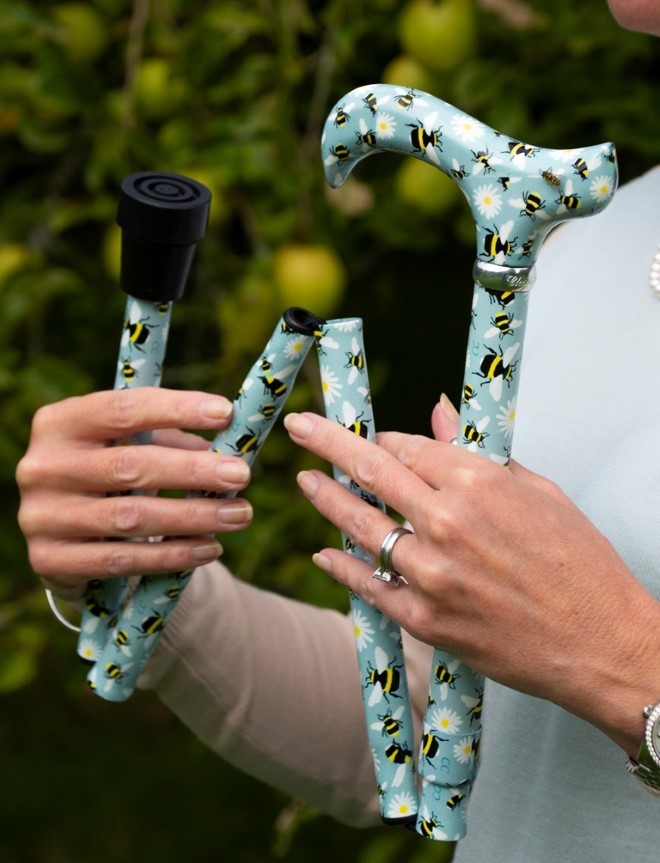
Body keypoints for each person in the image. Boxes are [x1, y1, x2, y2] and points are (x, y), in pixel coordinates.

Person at [16, 1, 660, 859]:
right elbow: (448, 730)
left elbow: (586, 656)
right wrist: (145, 575)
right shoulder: (583, 241)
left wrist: (623, 667)